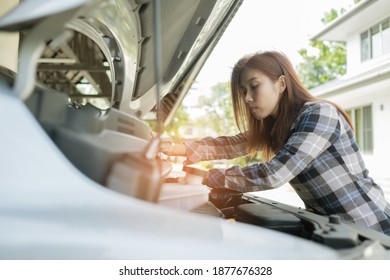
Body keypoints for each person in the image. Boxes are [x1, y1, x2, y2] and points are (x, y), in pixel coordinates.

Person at [163, 50, 390, 236]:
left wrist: (207, 177)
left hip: (370, 226)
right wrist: (176, 147)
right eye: (243, 91)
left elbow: (273, 174)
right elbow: (231, 144)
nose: (247, 98)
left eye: (254, 86)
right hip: (333, 229)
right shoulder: (276, 127)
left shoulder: (320, 114)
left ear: (281, 84)